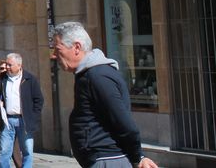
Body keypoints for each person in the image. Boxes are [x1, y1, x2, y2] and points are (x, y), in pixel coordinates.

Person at [51, 22, 159, 168]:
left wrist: (138, 155)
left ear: (76, 47)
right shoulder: (88, 75)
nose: (54, 55)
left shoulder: (98, 76)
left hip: (108, 160)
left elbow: (122, 120)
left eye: (58, 49)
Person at [0, 53, 43, 168]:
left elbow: (38, 100)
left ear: (19, 65)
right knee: (4, 151)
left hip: (24, 121)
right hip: (7, 120)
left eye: (10, 65)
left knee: (27, 151)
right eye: (7, 64)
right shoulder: (2, 78)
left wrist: (33, 117)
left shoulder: (29, 79)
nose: (7, 67)